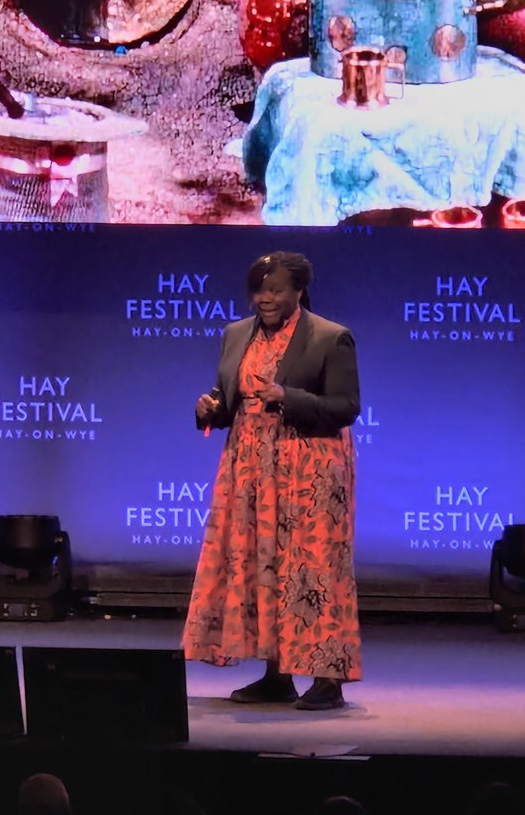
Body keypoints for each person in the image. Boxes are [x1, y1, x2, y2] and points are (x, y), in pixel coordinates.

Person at [182, 250, 362, 711]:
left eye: (276, 289)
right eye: (259, 290)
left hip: (311, 470)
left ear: (298, 291)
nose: (265, 298)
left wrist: (290, 397)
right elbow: (230, 399)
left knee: (313, 570)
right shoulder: (235, 335)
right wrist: (211, 410)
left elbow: (345, 407)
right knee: (261, 566)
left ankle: (328, 680)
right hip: (250, 468)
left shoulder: (330, 337)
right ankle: (276, 675)